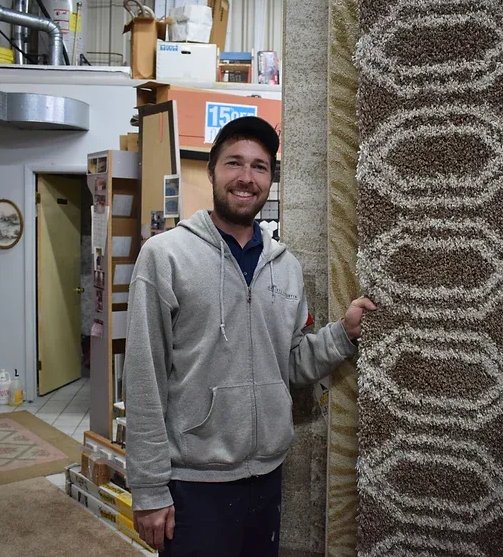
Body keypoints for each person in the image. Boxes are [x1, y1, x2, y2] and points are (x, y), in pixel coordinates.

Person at [125, 116, 376, 556]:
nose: (246, 178)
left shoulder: (286, 265)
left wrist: (343, 335)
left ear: (270, 179)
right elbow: (144, 378)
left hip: (266, 477)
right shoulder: (165, 257)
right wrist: (148, 490)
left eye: (259, 167)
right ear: (212, 171)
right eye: (234, 163)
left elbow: (292, 361)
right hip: (192, 482)